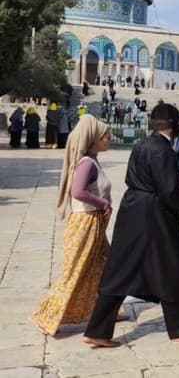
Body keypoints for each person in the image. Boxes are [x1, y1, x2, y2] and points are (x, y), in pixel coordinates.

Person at [83, 103, 179, 347]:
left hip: (132, 210)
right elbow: (170, 192)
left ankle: (97, 330)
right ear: (174, 125)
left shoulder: (142, 145)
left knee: (120, 270)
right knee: (170, 267)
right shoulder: (163, 150)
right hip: (155, 216)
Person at [30, 115, 118, 336]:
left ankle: (105, 310)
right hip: (85, 224)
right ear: (93, 139)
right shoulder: (87, 163)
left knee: (103, 267)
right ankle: (46, 316)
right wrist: (102, 202)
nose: (109, 138)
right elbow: (77, 191)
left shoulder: (92, 159)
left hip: (94, 223)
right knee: (74, 271)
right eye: (105, 135)